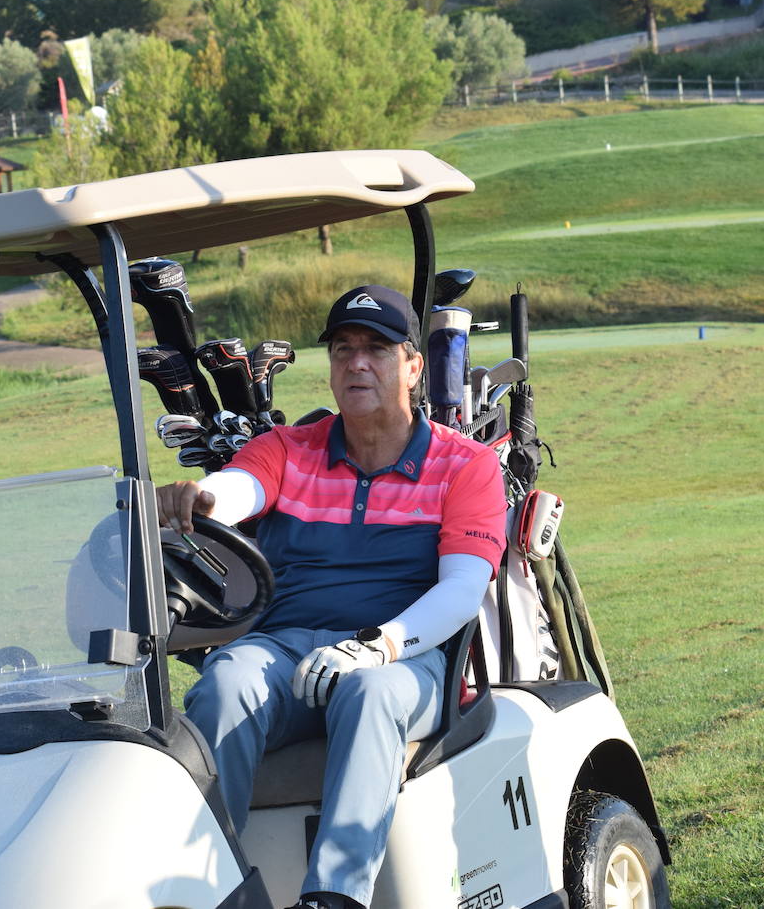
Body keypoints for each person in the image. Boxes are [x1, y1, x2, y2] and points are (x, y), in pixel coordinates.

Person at [156, 286, 507, 909]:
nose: (357, 363)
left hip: (406, 658)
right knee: (228, 675)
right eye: (343, 350)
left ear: (413, 365)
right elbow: (239, 487)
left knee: (369, 693)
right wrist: (204, 499)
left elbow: (460, 590)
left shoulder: (465, 466)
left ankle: (334, 898)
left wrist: (379, 647)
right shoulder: (291, 449)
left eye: (376, 349)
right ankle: (210, 887)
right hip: (288, 650)